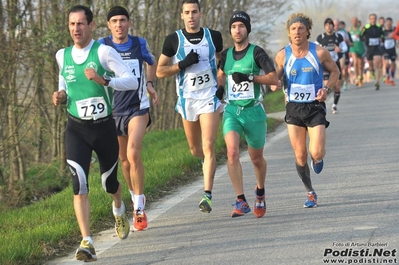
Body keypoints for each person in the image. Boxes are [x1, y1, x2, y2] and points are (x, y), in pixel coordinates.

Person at [52, 5, 137, 262]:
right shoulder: (61, 55)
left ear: (91, 25)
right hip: (76, 127)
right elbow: (65, 86)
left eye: (80, 24)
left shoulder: (103, 52)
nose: (76, 29)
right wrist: (61, 96)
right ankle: (87, 241)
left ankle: (119, 207)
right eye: (71, 24)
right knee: (79, 183)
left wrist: (105, 80)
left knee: (109, 183)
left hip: (103, 127)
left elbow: (131, 81)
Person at [156, 0, 223, 213]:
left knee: (209, 145)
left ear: (201, 14)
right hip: (187, 99)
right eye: (187, 12)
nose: (191, 16)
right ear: (182, 16)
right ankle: (206, 162)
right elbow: (159, 71)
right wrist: (182, 65)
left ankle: (207, 195)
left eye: (195, 12)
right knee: (196, 150)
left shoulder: (214, 36)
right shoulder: (173, 40)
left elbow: (222, 61)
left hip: (209, 96)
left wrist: (221, 84)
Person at [98, 6, 159, 232]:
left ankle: (140, 207)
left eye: (122, 20)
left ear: (129, 23)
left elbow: (151, 62)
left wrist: (150, 85)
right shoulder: (102, 46)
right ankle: (134, 198)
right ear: (108, 25)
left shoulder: (138, 43)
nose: (119, 24)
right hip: (114, 111)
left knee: (133, 153)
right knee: (123, 159)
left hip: (138, 107)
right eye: (114, 21)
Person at [217, 11, 280, 218]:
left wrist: (250, 78)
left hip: (254, 111)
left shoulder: (257, 52)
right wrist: (219, 88)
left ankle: (260, 191)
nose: (237, 30)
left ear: (247, 29)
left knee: (256, 158)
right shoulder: (225, 55)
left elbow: (273, 79)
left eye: (241, 26)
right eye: (234, 26)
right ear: (230, 30)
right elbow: (221, 74)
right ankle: (241, 200)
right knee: (232, 152)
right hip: (232, 110)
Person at [274, 13, 339, 208]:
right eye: (293, 29)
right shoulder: (282, 55)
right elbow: (275, 75)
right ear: (289, 33)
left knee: (316, 152)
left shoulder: (318, 52)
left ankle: (317, 159)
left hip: (314, 106)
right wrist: (273, 83)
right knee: (300, 155)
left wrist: (326, 89)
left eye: (300, 28)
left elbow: (335, 71)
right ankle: (310, 192)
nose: (297, 32)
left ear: (307, 31)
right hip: (293, 107)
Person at [316, 18, 348, 114]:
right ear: (324, 27)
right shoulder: (320, 37)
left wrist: (340, 49)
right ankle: (322, 107)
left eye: (330, 25)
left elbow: (345, 47)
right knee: (326, 87)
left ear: (333, 27)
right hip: (325, 65)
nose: (328, 27)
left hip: (335, 65)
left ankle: (334, 105)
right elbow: (314, 49)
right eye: (327, 25)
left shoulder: (338, 36)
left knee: (337, 87)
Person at [361, 13, 384, 90]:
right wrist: (365, 40)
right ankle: (373, 75)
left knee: (377, 64)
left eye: (374, 18)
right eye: (371, 18)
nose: (373, 20)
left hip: (377, 48)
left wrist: (381, 38)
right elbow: (361, 36)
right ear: (369, 19)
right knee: (371, 66)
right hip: (369, 49)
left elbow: (383, 35)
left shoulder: (379, 27)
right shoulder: (366, 27)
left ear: (376, 19)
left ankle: (377, 82)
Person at [334, 19, 352, 91]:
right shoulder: (330, 33)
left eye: (338, 25)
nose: (336, 26)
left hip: (343, 52)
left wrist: (346, 41)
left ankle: (345, 82)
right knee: (336, 70)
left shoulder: (343, 32)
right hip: (333, 54)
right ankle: (336, 84)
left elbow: (349, 42)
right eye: (334, 25)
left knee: (344, 69)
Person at [348, 17, 366, 87]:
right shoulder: (349, 29)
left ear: (357, 21)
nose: (354, 22)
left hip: (360, 47)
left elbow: (364, 37)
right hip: (353, 47)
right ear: (351, 22)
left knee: (360, 64)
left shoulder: (361, 28)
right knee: (355, 62)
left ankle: (360, 78)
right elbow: (348, 38)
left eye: (355, 21)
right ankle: (356, 77)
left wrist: (360, 36)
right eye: (353, 21)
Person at [381, 17, 396, 85]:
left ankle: (392, 78)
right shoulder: (383, 32)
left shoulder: (395, 30)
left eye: (390, 22)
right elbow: (380, 40)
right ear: (385, 23)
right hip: (385, 49)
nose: (388, 23)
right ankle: (387, 75)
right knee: (387, 63)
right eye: (387, 22)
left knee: (393, 63)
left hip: (393, 49)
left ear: (391, 23)